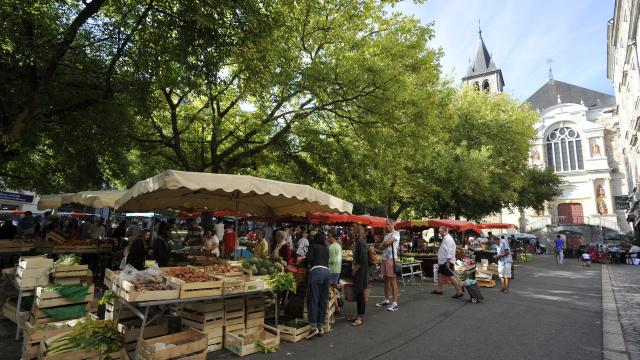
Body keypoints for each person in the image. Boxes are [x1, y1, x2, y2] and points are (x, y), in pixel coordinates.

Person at [301, 231, 330, 339]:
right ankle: (320, 326)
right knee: (323, 300)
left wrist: (302, 262)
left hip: (316, 272)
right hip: (327, 273)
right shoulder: (326, 249)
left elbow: (309, 259)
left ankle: (313, 327)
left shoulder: (313, 246)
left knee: (313, 299)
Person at [432, 226, 464, 298]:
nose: (439, 232)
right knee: (440, 274)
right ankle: (439, 290)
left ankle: (459, 291)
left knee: (450, 276)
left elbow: (449, 251)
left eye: (440, 231)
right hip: (444, 261)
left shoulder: (448, 239)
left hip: (446, 261)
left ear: (445, 230)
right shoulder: (446, 238)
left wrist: (448, 262)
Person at [376, 219, 400, 311]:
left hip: (391, 259)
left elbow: (385, 244)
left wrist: (383, 245)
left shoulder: (396, 233)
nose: (386, 226)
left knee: (393, 281)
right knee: (385, 280)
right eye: (386, 224)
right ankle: (386, 300)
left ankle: (395, 303)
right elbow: (382, 246)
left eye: (388, 224)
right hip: (385, 259)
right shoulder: (387, 235)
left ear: (393, 225)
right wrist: (383, 245)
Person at [349, 223, 368, 326]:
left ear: (356, 231)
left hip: (360, 272)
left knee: (360, 294)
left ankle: (360, 316)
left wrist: (355, 270)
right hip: (359, 271)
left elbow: (361, 259)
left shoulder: (361, 242)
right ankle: (358, 314)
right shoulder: (358, 242)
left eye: (352, 230)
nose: (351, 231)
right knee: (358, 294)